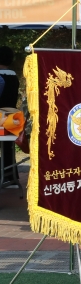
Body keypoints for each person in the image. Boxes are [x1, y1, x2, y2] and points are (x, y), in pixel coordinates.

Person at [0, 46, 20, 187]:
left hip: (0, 116)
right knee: (9, 148)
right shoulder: (14, 76)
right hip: (12, 116)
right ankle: (10, 177)